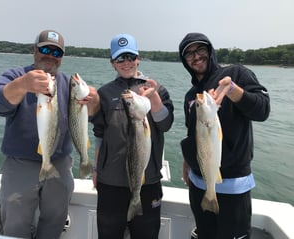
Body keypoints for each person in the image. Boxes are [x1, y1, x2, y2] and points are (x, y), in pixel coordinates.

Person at [178, 32, 270, 239]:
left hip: (234, 187)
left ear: (210, 51)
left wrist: (234, 91)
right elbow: (192, 133)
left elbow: (262, 110)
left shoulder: (235, 74)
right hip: (198, 184)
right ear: (185, 61)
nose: (196, 56)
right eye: (189, 53)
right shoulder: (191, 96)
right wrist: (186, 162)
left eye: (200, 49)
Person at [0, 30, 74, 239]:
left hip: (60, 164)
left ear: (61, 58)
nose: (49, 55)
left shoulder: (69, 84)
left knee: (55, 222)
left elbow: (89, 117)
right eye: (44, 49)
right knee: (15, 227)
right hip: (20, 167)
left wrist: (93, 101)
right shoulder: (16, 76)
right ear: (34, 50)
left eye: (56, 52)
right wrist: (23, 84)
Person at [84, 33, 174, 239]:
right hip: (111, 182)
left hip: (147, 181)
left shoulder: (156, 88)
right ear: (112, 63)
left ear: (138, 58)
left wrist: (155, 99)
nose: (126, 63)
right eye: (120, 59)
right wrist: (97, 169)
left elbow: (166, 124)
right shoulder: (105, 93)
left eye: (130, 57)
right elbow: (99, 134)